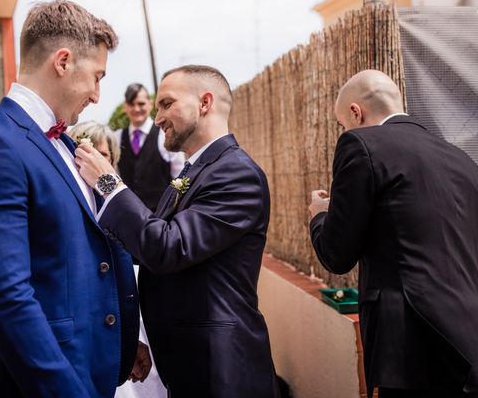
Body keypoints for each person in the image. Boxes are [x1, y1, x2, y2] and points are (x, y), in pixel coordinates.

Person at [0, 0, 146, 398]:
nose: (97, 95)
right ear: (63, 61)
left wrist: (120, 341)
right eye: (97, 77)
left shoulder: (66, 145)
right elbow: (7, 302)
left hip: (90, 367)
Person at [76, 65, 280, 397]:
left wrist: (108, 183)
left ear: (205, 102)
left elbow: (167, 247)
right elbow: (147, 241)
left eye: (166, 103)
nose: (157, 118)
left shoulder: (236, 174)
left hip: (221, 370)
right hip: (189, 365)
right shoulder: (195, 170)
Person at [308, 69, 478, 398]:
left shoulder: (360, 143)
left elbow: (337, 254)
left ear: (356, 112)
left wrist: (320, 216)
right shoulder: (462, 159)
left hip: (408, 343)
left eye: (344, 123)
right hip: (468, 338)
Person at [69, 121, 166, 398]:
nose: (96, 161)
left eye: (104, 155)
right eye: (87, 154)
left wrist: (127, 339)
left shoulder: (117, 203)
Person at [116, 83, 185, 211]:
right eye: (131, 104)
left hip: (163, 217)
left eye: (141, 103)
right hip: (129, 217)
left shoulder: (166, 134)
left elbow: (180, 178)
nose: (136, 109)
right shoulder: (116, 138)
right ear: (125, 107)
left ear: (150, 103)